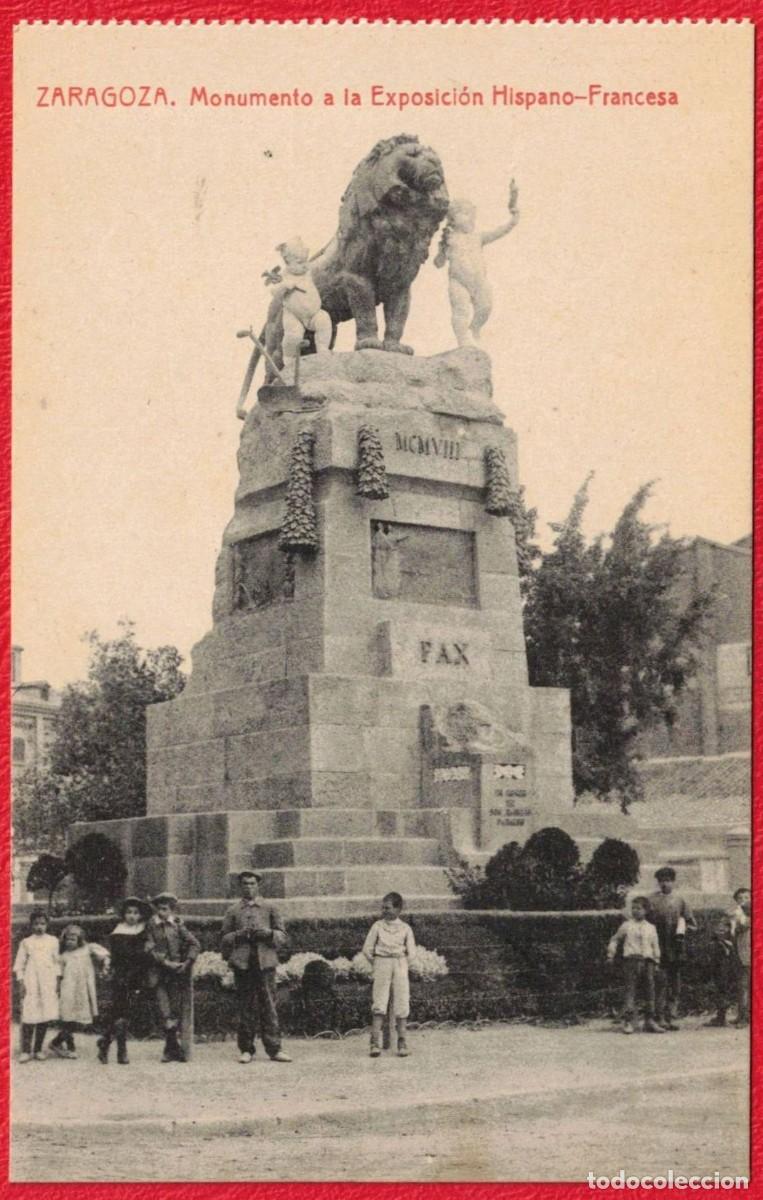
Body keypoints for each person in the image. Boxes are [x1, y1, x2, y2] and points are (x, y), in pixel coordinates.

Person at [434, 180, 519, 347]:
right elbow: (438, 263)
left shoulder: (478, 237)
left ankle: (475, 327)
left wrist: (513, 221)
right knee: (461, 310)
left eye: (471, 215)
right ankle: (463, 341)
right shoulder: (450, 239)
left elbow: (499, 232)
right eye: (464, 214)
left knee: (486, 307)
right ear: (452, 218)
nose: (470, 219)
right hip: (458, 281)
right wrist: (442, 250)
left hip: (479, 282)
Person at [220, 870, 291, 1064]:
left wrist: (268, 934)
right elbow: (224, 939)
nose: (249, 887)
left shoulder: (270, 908)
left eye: (252, 883)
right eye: (245, 884)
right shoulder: (233, 911)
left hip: (265, 962)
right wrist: (239, 935)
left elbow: (283, 936)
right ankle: (246, 1049)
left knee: (269, 1005)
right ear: (240, 886)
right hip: (243, 964)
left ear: (258, 885)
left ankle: (274, 1048)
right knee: (245, 1007)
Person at [97, 897, 152, 1065]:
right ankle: (120, 1050)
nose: (132, 916)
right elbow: (122, 955)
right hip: (122, 976)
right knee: (120, 1012)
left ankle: (105, 1042)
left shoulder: (143, 930)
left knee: (125, 1014)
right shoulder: (118, 932)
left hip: (138, 976)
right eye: (129, 912)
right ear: (123, 914)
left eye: (136, 913)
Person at [146, 892, 200, 1062]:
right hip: (159, 973)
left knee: (175, 1011)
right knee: (165, 1011)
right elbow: (149, 948)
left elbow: (194, 943)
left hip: (176, 975)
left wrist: (188, 962)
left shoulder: (177, 925)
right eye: (160, 908)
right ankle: (171, 1048)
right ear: (156, 909)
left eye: (167, 908)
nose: (164, 912)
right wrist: (165, 962)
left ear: (171, 909)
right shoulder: (150, 926)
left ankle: (170, 1049)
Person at [362, 891, 416, 1057]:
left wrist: (402, 963)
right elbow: (367, 949)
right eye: (383, 907)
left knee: (401, 1001)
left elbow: (412, 953)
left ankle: (402, 1042)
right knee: (379, 1002)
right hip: (382, 963)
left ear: (398, 909)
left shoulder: (406, 928)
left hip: (399, 964)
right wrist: (378, 962)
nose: (384, 910)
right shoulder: (377, 926)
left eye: (388, 908)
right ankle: (374, 1043)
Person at [49, 924, 110, 1058]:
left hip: (83, 989)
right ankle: (68, 1046)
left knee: (81, 1021)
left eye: (73, 939)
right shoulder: (64, 956)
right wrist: (57, 988)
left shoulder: (87, 949)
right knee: (68, 1018)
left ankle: (57, 1042)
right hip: (69, 990)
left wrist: (105, 964)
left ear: (80, 940)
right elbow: (58, 974)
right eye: (67, 939)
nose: (70, 942)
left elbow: (104, 954)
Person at [607, 896, 663, 1034]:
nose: (635, 911)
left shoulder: (651, 928)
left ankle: (649, 1021)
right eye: (633, 908)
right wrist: (611, 953)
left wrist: (657, 961)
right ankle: (628, 1022)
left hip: (648, 962)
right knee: (630, 991)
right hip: (631, 962)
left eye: (639, 908)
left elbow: (655, 945)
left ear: (646, 910)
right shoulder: (626, 926)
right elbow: (615, 939)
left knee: (650, 992)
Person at [650, 866, 696, 1030]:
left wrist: (682, 928)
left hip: (676, 948)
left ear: (673, 882)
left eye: (668, 880)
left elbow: (692, 923)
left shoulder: (680, 900)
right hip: (658, 947)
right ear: (658, 882)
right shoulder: (651, 901)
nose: (665, 884)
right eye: (661, 881)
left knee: (675, 983)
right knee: (660, 982)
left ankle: (672, 1016)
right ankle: (660, 1016)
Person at [14, 908, 61, 1062]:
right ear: (31, 926)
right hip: (32, 980)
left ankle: (38, 1049)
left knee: (44, 1015)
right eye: (36, 924)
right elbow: (19, 964)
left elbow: (57, 963)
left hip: (47, 981)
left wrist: (57, 981)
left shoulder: (53, 941)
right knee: (29, 1015)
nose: (39, 927)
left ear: (47, 925)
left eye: (42, 923)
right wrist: (21, 981)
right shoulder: (26, 942)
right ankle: (26, 1050)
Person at [706, 914, 737, 1027]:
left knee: (723, 992)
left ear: (728, 930)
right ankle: (720, 1016)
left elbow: (729, 959)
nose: (720, 932)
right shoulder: (714, 943)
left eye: (724, 929)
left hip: (725, 972)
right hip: (717, 972)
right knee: (718, 993)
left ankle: (722, 1017)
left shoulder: (729, 944)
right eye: (718, 929)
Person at [730, 887, 751, 1026]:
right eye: (740, 899)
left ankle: (746, 1017)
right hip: (742, 952)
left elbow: (743, 925)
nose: (743, 901)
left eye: (746, 898)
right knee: (742, 986)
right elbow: (735, 930)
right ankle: (742, 1016)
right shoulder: (738, 913)